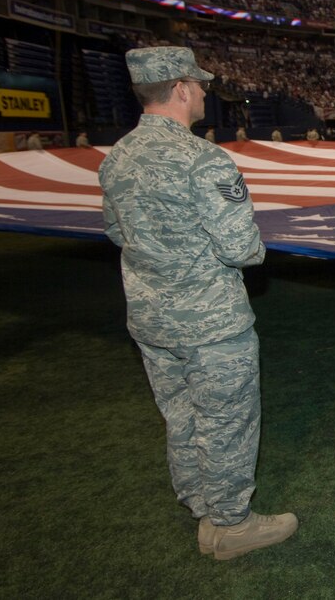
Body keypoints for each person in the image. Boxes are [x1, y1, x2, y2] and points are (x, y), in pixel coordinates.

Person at [97, 46, 297, 561]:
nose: (206, 92)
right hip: (210, 320)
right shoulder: (202, 159)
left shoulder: (117, 156)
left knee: (180, 414)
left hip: (150, 316)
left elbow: (117, 232)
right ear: (181, 88)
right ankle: (231, 524)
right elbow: (241, 248)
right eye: (200, 84)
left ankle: (202, 508)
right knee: (226, 418)